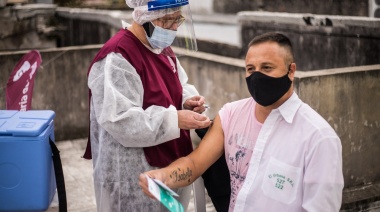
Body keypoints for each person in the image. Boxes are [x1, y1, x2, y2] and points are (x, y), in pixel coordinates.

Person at [139, 32, 344, 211]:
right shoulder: (231, 114)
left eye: (267, 67)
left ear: (291, 71)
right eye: (250, 69)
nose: (256, 76)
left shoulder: (318, 139)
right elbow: (194, 164)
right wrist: (164, 176)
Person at [82, 0, 211, 211]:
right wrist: (175, 119)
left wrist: (185, 101)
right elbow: (120, 120)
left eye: (177, 19)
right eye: (166, 20)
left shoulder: (161, 48)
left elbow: (176, 84)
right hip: (134, 175)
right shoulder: (117, 56)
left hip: (171, 164)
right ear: (143, 16)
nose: (173, 27)